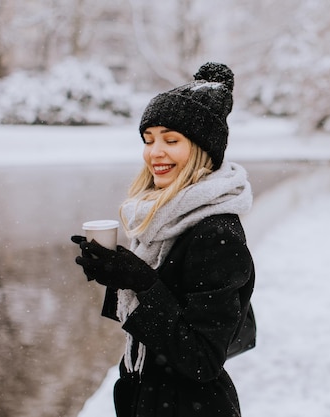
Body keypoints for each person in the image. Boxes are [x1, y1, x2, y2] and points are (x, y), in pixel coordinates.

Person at [71, 62, 255, 417]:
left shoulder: (216, 232)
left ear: (203, 149)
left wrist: (139, 279)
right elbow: (157, 310)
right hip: (149, 395)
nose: (155, 152)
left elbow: (202, 359)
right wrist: (115, 274)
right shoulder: (160, 217)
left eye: (171, 140)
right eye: (148, 139)